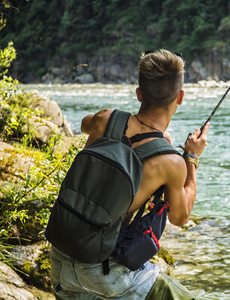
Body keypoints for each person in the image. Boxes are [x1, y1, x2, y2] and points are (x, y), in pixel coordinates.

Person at [50, 49, 209, 299]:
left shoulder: (105, 118)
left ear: (138, 93)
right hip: (103, 271)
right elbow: (180, 216)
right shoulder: (170, 162)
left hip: (59, 256)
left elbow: (83, 123)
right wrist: (191, 158)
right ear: (180, 97)